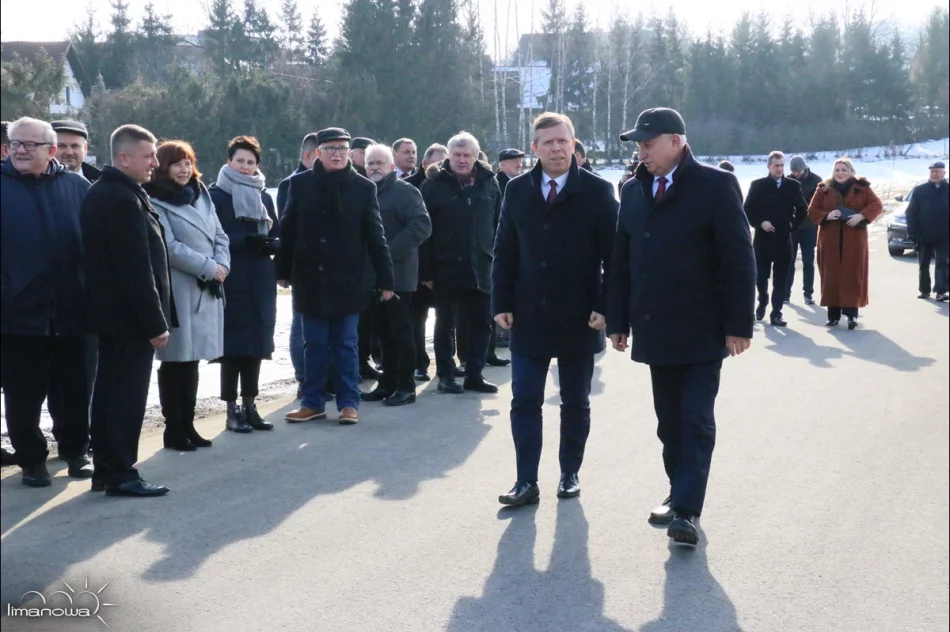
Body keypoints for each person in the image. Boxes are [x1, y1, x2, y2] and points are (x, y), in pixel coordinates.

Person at [606, 107, 756, 545]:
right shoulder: (633, 190)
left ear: (676, 141)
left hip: (703, 328)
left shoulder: (715, 185)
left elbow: (738, 257)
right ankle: (677, 493)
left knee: (694, 419)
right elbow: (621, 260)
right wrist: (618, 319)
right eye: (639, 145)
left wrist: (739, 323)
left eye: (648, 143)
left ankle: (687, 510)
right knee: (668, 423)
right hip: (655, 326)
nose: (642, 152)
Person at [493, 112, 618, 506]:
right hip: (528, 313)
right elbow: (504, 251)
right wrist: (501, 302)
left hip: (580, 316)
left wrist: (605, 305)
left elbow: (614, 257)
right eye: (548, 142)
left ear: (573, 143)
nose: (557, 148)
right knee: (524, 400)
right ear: (535, 148)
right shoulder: (517, 190)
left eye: (563, 141)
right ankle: (525, 481)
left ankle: (569, 473)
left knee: (575, 402)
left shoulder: (597, 191)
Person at [277, 128, 395, 426]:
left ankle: (348, 403)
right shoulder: (300, 184)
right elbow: (287, 228)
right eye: (331, 149)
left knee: (346, 344)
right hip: (310, 278)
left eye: (342, 148)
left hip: (348, 279)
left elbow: (376, 236)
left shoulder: (363, 187)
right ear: (318, 153)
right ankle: (312, 402)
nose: (337, 154)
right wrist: (282, 270)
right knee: (314, 344)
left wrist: (386, 279)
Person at [82, 124, 174, 497]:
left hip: (114, 316)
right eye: (148, 155)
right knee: (125, 396)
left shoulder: (109, 191)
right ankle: (120, 472)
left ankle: (107, 469)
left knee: (109, 392)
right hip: (129, 318)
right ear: (124, 158)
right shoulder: (121, 198)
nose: (155, 163)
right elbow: (135, 270)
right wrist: (155, 323)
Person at [1, 117, 93, 487]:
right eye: (15, 143)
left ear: (51, 150)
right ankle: (32, 460)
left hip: (73, 313)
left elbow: (95, 246)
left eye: (30, 144)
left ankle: (76, 450)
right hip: (17, 316)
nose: (21, 150)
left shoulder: (77, 187)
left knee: (75, 390)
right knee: (23, 396)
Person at [145, 141, 230, 451]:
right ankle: (174, 428)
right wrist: (209, 267)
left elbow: (220, 235)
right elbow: (168, 246)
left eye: (188, 163)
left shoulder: (201, 193)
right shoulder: (154, 198)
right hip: (179, 288)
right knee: (175, 360)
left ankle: (189, 424)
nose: (184, 170)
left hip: (207, 287)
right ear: (163, 167)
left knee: (192, 360)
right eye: (177, 164)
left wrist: (222, 265)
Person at [420, 131, 502, 395]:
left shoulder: (489, 183)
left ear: (476, 157)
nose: (462, 160)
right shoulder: (433, 184)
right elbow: (424, 232)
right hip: (445, 266)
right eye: (457, 154)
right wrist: (427, 270)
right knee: (445, 324)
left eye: (467, 155)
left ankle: (474, 374)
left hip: (482, 265)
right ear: (449, 155)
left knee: (482, 323)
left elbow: (499, 225)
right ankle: (445, 375)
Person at [210, 136, 280, 433]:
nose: (245, 166)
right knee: (232, 346)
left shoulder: (264, 196)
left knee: (257, 344)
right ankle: (231, 409)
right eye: (240, 160)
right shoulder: (216, 195)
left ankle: (250, 404)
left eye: (251, 162)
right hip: (231, 275)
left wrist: (273, 243)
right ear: (229, 161)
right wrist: (244, 241)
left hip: (261, 276)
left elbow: (276, 228)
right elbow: (212, 236)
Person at [360, 144, 432, 406]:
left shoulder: (405, 192)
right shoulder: (366, 192)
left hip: (399, 277)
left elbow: (422, 225)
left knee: (402, 333)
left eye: (380, 162)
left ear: (391, 166)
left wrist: (388, 254)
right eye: (370, 163)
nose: (374, 168)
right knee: (382, 333)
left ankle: (406, 387)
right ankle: (387, 383)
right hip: (373, 278)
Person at [807, 158, 884, 329]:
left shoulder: (862, 187)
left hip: (854, 239)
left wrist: (861, 216)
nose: (840, 173)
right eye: (837, 170)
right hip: (830, 239)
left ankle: (851, 315)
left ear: (851, 172)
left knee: (852, 274)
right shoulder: (823, 189)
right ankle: (833, 315)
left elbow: (877, 204)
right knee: (831, 275)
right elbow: (812, 210)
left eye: (844, 170)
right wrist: (826, 215)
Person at [743, 151, 808, 327]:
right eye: (776, 165)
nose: (779, 169)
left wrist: (792, 225)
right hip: (763, 239)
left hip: (783, 239)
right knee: (760, 277)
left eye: (781, 165)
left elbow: (802, 209)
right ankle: (763, 299)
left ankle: (776, 312)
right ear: (769, 166)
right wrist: (760, 222)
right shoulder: (758, 185)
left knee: (781, 278)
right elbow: (747, 209)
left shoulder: (793, 185)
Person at [277, 132, 319, 398]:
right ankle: (304, 378)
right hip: (301, 265)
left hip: (326, 267)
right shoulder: (291, 184)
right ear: (308, 155)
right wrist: (284, 269)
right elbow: (286, 229)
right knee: (301, 324)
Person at [407, 143, 448, 381]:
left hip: (444, 262)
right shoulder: (410, 187)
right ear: (424, 164)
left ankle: (446, 363)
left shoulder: (452, 185)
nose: (442, 167)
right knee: (417, 319)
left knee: (446, 319)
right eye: (438, 163)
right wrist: (425, 271)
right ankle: (419, 363)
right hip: (418, 263)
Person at [906, 161, 949, 302]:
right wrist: (912, 231)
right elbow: (910, 213)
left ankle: (941, 292)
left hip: (944, 235)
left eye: (937, 171)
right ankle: (924, 290)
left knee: (942, 263)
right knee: (923, 264)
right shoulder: (920, 190)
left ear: (944, 173)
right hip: (923, 234)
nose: (934, 174)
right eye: (932, 171)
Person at [786, 155, 822, 304]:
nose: (796, 173)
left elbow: (820, 204)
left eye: (798, 171)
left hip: (809, 226)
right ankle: (785, 293)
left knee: (808, 261)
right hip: (792, 227)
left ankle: (808, 293)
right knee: (789, 261)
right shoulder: (787, 180)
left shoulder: (816, 180)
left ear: (804, 168)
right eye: (793, 171)